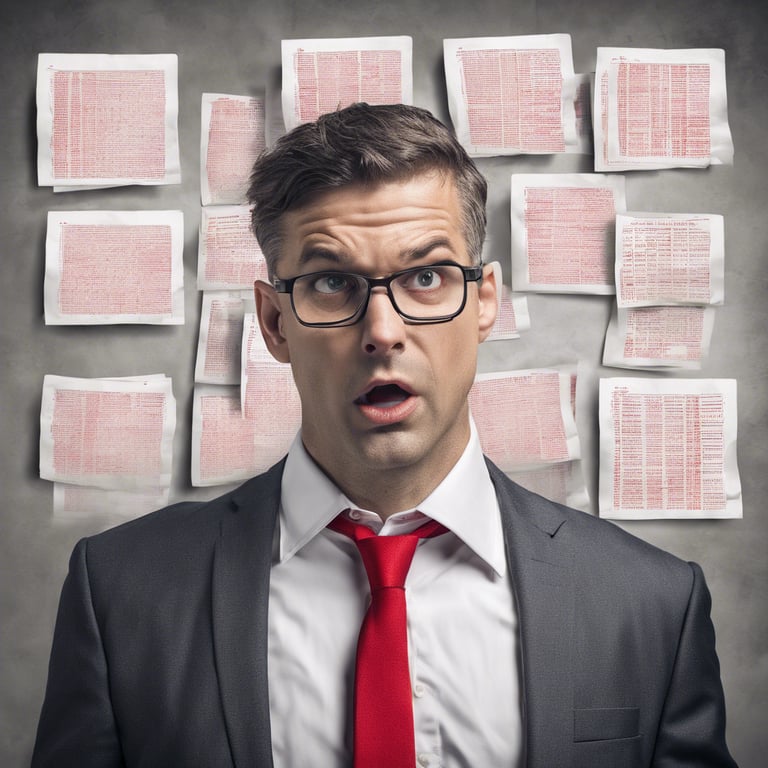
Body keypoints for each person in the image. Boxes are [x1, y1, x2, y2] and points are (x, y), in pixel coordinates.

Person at [32, 103, 737, 767]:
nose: (383, 332)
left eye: (426, 275)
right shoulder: (121, 592)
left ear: (484, 302)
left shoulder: (650, 603)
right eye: (331, 283)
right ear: (274, 323)